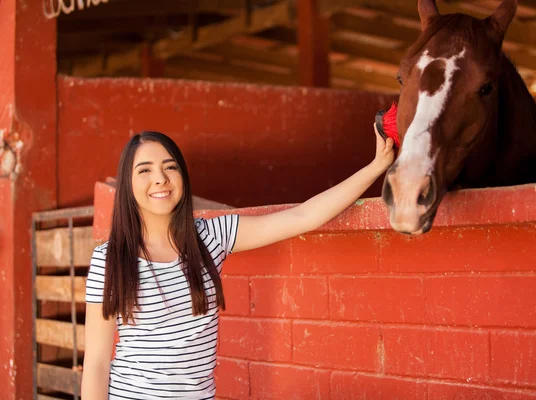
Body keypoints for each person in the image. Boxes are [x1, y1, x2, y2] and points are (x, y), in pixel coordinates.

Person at [81, 125, 394, 399]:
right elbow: (95, 363)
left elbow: (303, 216)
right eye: (145, 170)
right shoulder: (109, 260)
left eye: (170, 167)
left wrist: (376, 166)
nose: (160, 179)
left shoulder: (210, 238)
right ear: (127, 183)